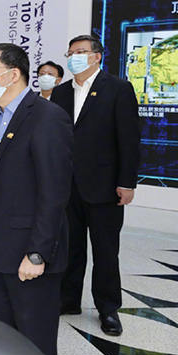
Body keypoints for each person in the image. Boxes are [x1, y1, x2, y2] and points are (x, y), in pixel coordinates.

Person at [0, 42, 72, 355]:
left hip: (29, 252)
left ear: (13, 75)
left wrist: (37, 253)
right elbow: (0, 169)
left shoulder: (47, 118)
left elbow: (55, 193)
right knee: (1, 336)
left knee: (34, 341)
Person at [51, 34, 139, 336]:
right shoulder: (61, 94)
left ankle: (108, 308)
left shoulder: (118, 89)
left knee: (105, 250)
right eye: (71, 51)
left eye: (82, 51)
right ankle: (68, 299)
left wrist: (127, 183)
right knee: (70, 246)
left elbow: (129, 140)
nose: (75, 56)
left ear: (97, 56)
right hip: (67, 187)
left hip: (105, 187)